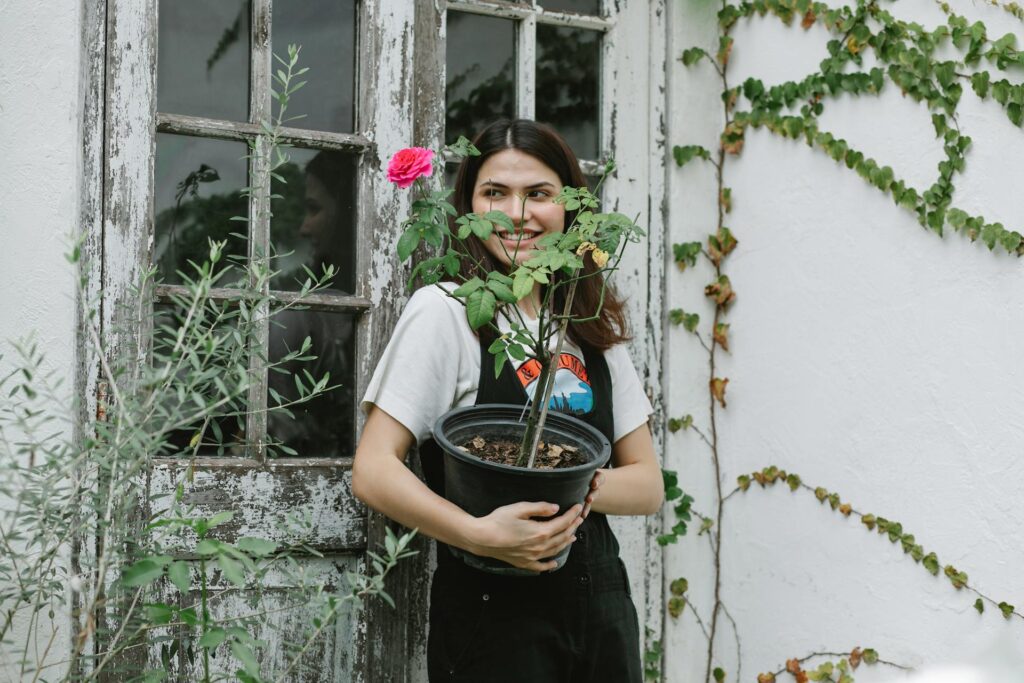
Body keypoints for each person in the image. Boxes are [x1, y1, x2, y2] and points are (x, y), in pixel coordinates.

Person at [352, 119, 663, 682]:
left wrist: (564, 485)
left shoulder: (585, 320)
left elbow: (646, 484)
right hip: (493, 612)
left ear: (569, 207)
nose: (517, 215)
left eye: (539, 194)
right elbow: (373, 470)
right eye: (494, 193)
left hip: (602, 605)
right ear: (469, 204)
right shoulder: (449, 310)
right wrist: (478, 534)